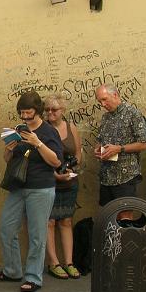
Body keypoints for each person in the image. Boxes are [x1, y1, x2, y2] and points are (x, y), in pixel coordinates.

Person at [0, 91, 62, 292]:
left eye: (28, 113)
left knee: (36, 234)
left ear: (37, 111)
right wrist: (9, 147)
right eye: (21, 113)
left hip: (41, 187)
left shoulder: (49, 132)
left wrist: (37, 143)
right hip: (18, 186)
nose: (25, 117)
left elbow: (56, 161)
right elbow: (8, 160)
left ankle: (33, 277)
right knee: (6, 228)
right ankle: (12, 269)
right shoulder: (19, 129)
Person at [42, 94, 82, 280]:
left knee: (66, 221)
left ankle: (69, 262)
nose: (50, 113)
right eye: (47, 110)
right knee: (49, 222)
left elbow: (78, 152)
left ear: (62, 111)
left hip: (69, 180)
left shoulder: (71, 127)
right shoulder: (43, 129)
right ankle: (53, 262)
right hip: (49, 180)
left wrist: (73, 169)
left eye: (54, 110)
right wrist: (55, 174)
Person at [94, 84, 146, 206]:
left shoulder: (133, 113)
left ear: (115, 95)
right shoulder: (105, 117)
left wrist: (120, 149)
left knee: (124, 214)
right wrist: (98, 149)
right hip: (107, 176)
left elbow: (144, 143)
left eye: (104, 99)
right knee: (107, 213)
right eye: (100, 101)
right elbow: (99, 139)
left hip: (125, 176)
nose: (103, 104)